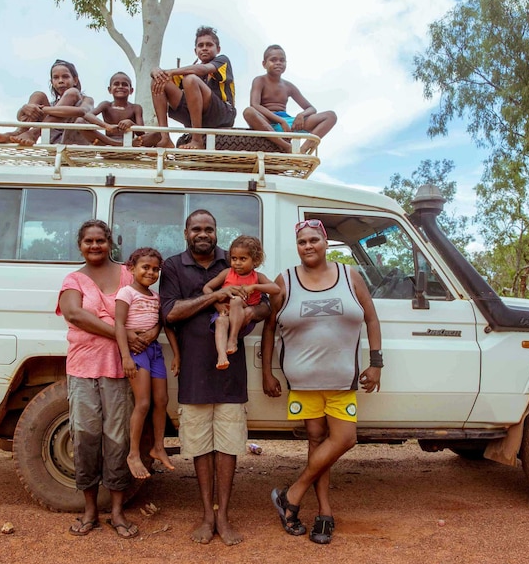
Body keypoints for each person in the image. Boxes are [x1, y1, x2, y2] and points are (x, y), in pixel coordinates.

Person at [261, 218, 382, 544]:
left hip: (343, 379)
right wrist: (266, 372)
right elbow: (270, 327)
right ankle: (324, 513)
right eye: (302, 242)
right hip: (302, 381)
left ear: (325, 242)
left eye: (314, 240)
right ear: (297, 246)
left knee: (343, 439)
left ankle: (293, 495)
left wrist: (376, 363)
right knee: (318, 445)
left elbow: (371, 317)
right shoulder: (284, 280)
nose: (308, 246)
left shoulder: (349, 276)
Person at [159, 210, 270, 546]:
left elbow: (266, 304)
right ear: (186, 233)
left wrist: (250, 311)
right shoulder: (173, 266)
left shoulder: (234, 260)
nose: (203, 233)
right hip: (193, 371)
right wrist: (215, 297)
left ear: (216, 232)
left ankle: (224, 515)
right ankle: (207, 514)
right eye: (196, 229)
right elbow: (170, 312)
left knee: (229, 445)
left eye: (209, 228)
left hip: (229, 372)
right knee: (200, 446)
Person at [56, 219, 157, 539]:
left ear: (110, 242)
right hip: (83, 367)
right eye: (89, 241)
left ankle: (116, 511)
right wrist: (123, 332)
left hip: (121, 369)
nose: (95, 246)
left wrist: (148, 334)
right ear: (80, 245)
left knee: (118, 439)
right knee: (85, 438)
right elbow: (74, 314)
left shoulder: (128, 273)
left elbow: (151, 309)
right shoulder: (73, 279)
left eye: (101, 240)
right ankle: (89, 511)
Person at [114, 246, 178, 479]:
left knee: (161, 400)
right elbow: (119, 325)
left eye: (155, 269)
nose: (151, 273)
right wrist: (125, 357)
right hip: (136, 353)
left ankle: (158, 446)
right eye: (145, 268)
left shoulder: (156, 297)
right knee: (142, 403)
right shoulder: (126, 293)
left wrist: (154, 331)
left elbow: (161, 321)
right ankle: (133, 453)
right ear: (131, 268)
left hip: (154, 351)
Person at [145, 26, 237, 150]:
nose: (204, 48)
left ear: (218, 49)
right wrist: (155, 71)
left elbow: (203, 69)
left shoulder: (222, 61)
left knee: (190, 79)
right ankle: (165, 137)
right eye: (200, 45)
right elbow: (166, 78)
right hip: (199, 117)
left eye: (209, 45)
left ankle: (197, 140)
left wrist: (171, 71)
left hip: (222, 115)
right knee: (159, 81)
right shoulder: (190, 70)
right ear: (195, 51)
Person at [202, 235, 280, 371]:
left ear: (255, 260)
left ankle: (232, 339)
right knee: (220, 322)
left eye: (243, 259)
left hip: (243, 313)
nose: (237, 263)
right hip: (226, 311)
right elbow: (207, 288)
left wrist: (255, 287)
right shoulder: (227, 273)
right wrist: (217, 305)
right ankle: (221, 356)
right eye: (234, 258)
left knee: (236, 300)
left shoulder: (257, 277)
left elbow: (276, 289)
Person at [243, 45, 337, 154]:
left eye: (282, 60)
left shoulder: (288, 86)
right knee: (248, 111)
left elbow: (311, 108)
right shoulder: (259, 80)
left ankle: (303, 149)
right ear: (264, 64)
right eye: (273, 60)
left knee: (330, 116)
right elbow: (254, 105)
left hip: (288, 124)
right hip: (267, 122)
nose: (278, 63)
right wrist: (280, 121)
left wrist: (301, 115)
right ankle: (287, 146)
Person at [0, 59, 96, 146]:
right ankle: (18, 132)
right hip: (53, 146)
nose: (60, 80)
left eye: (65, 77)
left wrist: (42, 109)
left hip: (76, 144)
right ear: (52, 82)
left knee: (73, 92)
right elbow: (20, 117)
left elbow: (82, 111)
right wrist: (25, 108)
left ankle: (34, 132)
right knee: (38, 95)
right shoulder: (52, 104)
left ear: (75, 80)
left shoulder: (86, 99)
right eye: (56, 77)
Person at [77, 71, 145, 147]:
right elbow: (87, 115)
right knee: (79, 121)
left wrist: (131, 123)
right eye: (116, 84)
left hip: (130, 142)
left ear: (131, 90)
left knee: (156, 135)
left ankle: (119, 144)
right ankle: (118, 144)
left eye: (124, 84)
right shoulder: (106, 105)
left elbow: (141, 132)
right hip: (108, 143)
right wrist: (107, 126)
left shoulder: (136, 107)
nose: (120, 86)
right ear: (109, 89)